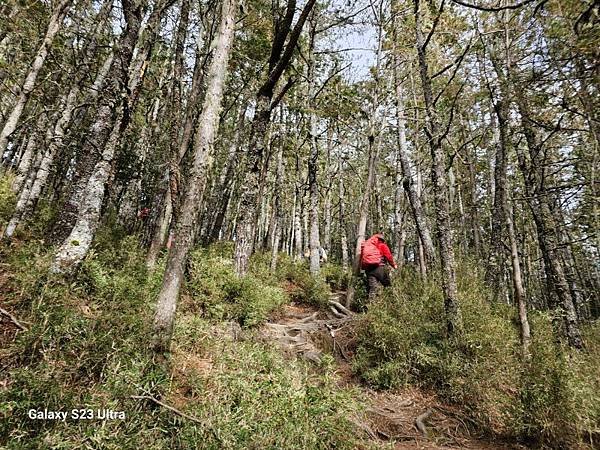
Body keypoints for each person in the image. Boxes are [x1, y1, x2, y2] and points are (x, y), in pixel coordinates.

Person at [360, 233, 397, 299]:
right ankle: (393, 302)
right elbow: (389, 257)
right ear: (382, 240)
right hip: (380, 268)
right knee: (388, 286)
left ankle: (371, 306)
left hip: (369, 270)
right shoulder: (382, 245)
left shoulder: (368, 246)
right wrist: (394, 265)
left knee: (373, 289)